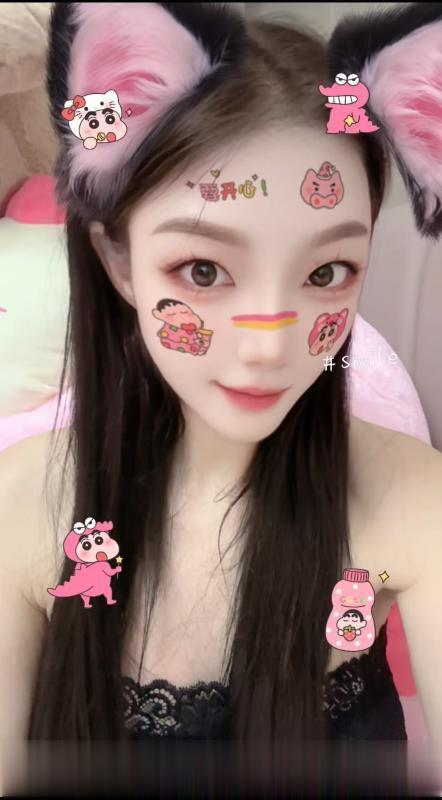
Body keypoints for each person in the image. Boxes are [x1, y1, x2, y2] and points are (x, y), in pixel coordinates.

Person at [1, 1, 441, 796]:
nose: (270, 344)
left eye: (326, 272)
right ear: (120, 262)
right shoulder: (21, 507)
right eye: (203, 271)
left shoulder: (414, 500)